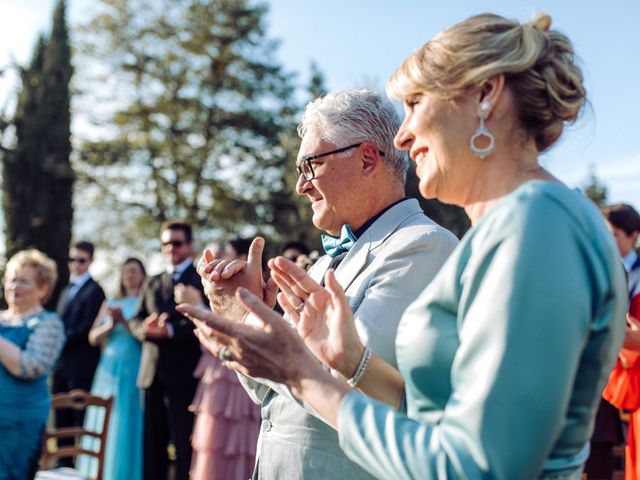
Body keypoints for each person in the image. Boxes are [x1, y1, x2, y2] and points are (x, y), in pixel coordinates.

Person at [180, 13, 628, 479]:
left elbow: (480, 464)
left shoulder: (539, 223)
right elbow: (434, 414)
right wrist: (342, 357)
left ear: (485, 96)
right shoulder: (518, 224)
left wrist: (302, 372)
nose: (402, 134)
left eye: (415, 102)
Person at [194, 88, 458, 478]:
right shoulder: (319, 268)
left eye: (311, 165)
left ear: (368, 158)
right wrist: (243, 317)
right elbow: (267, 394)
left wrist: (251, 326)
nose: (301, 186)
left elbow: (358, 392)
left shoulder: (422, 246)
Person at [131, 221, 204, 480]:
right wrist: (144, 328)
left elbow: (204, 321)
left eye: (176, 243)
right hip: (151, 375)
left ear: (189, 245)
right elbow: (136, 318)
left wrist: (171, 331)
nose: (170, 248)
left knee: (184, 447)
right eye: (165, 244)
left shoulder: (200, 279)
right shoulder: (151, 281)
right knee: (152, 447)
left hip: (184, 376)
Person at [190, 239, 260, 480]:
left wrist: (196, 305)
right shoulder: (212, 285)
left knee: (240, 439)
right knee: (214, 439)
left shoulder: (248, 287)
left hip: (238, 372)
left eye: (226, 255)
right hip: (217, 373)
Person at [76, 257, 147, 480]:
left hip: (134, 365)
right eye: (126, 271)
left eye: (134, 271)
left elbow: (145, 338)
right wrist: (111, 324)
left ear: (142, 274)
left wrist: (125, 323)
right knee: (103, 413)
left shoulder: (144, 303)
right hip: (108, 367)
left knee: (126, 417)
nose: (129, 275)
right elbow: (92, 337)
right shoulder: (109, 303)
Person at [0, 249, 64, 479]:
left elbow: (29, 366)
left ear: (43, 289)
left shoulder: (49, 323)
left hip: (18, 424)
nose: (14, 286)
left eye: (23, 281)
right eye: (12, 279)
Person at [52, 240, 105, 462]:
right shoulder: (65, 290)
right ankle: (63, 465)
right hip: (61, 365)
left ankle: (81, 468)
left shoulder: (96, 291)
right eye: (72, 259)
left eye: (81, 260)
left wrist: (61, 337)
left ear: (90, 261)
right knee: (60, 419)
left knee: (80, 420)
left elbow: (87, 330)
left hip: (82, 366)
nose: (76, 264)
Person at [600, 204, 640, 479]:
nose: (607, 241)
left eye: (614, 234)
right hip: (615, 375)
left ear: (633, 236)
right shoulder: (600, 272)